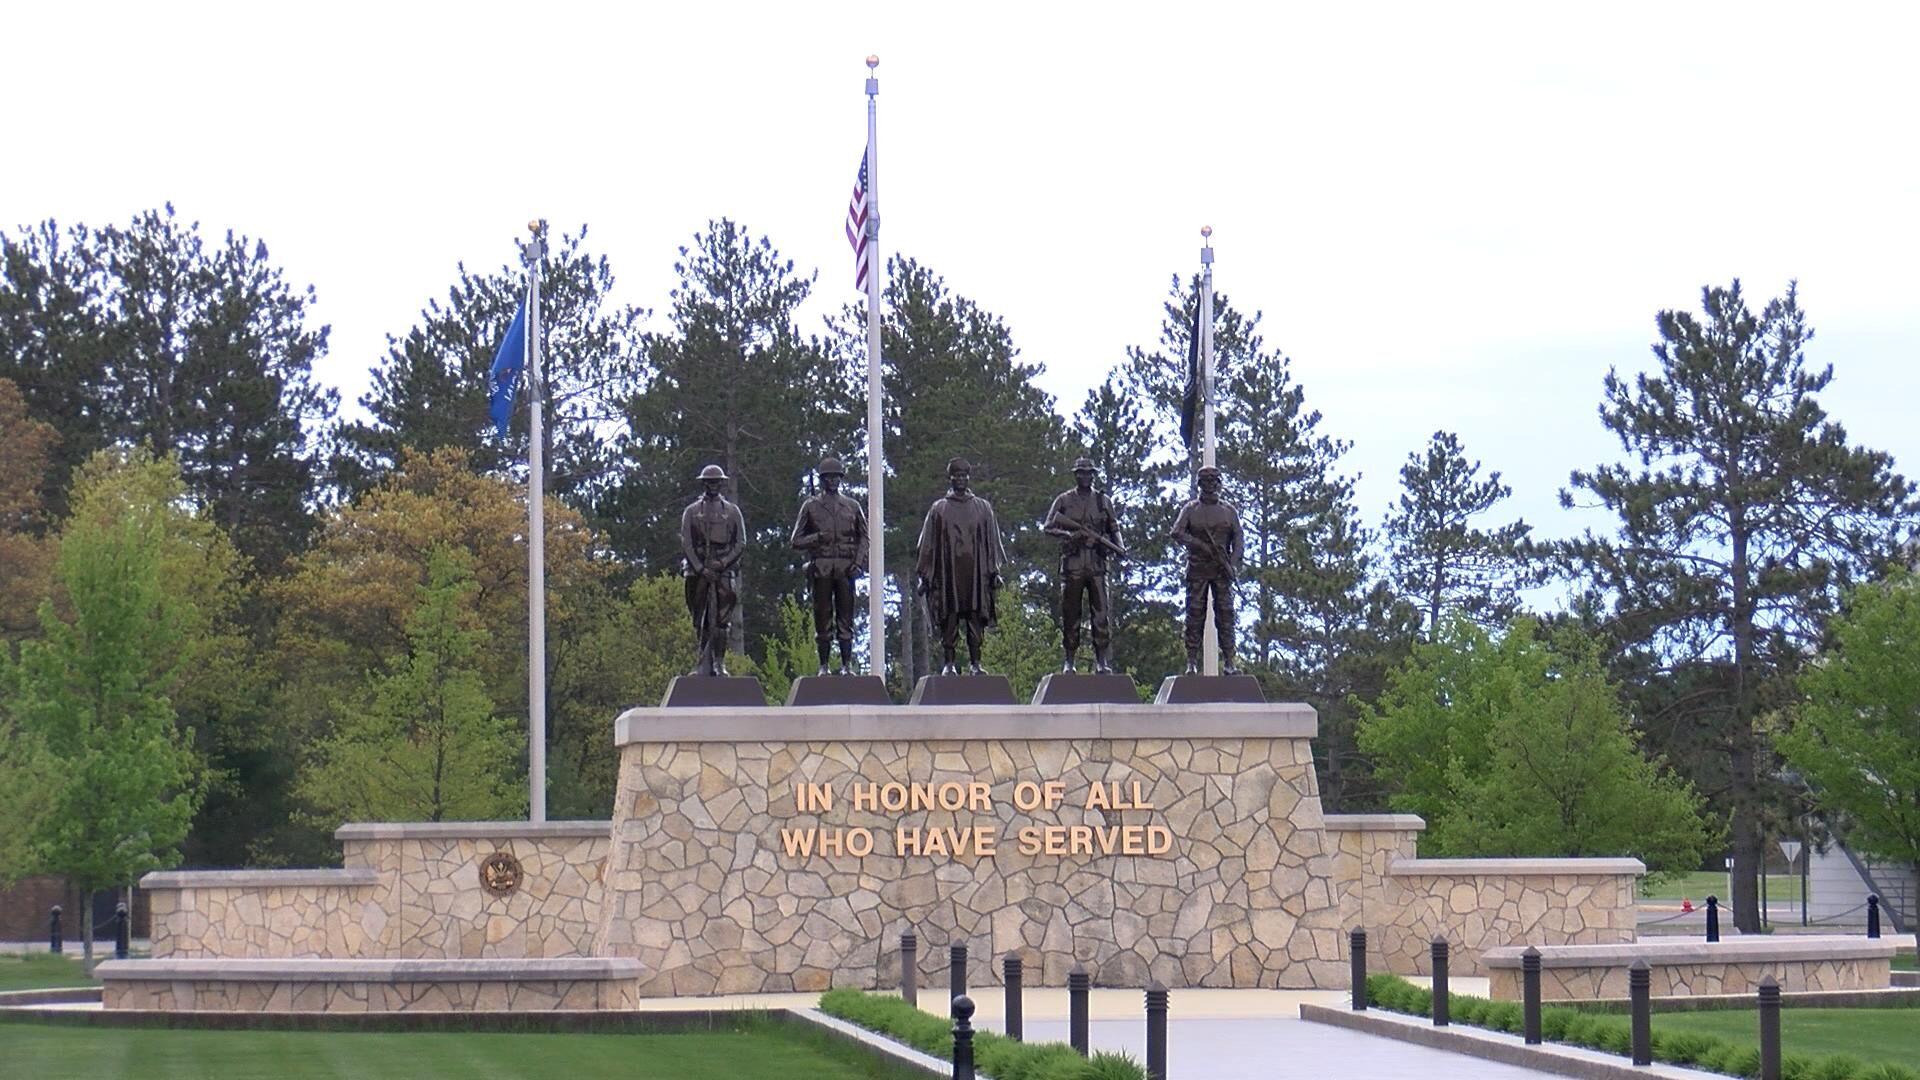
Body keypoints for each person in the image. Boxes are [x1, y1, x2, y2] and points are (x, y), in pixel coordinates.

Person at [915, 457, 1007, 675]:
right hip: (949, 573)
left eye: (964, 476)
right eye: (957, 476)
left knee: (975, 618)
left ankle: (976, 663)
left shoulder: (983, 508)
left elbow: (992, 541)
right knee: (950, 616)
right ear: (950, 479)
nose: (961, 480)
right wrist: (925, 574)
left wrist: (994, 571)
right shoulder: (939, 509)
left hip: (976, 573)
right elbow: (927, 544)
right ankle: (949, 663)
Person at [1042, 457, 1125, 673]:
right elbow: (1048, 527)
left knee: (1101, 614)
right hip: (1073, 564)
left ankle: (1101, 661)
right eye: (1081, 473)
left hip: (1097, 564)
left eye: (1089, 473)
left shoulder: (1103, 501)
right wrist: (1070, 535)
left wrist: (1119, 547)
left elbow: (1114, 527)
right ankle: (1069, 660)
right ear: (1075, 475)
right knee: (1071, 614)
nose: (1085, 477)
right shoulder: (1064, 500)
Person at [789, 456, 868, 676]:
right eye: (828, 477)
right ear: (822, 480)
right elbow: (796, 540)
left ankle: (846, 665)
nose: (832, 481)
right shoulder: (811, 506)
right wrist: (816, 538)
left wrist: (858, 563)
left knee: (846, 617)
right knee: (822, 616)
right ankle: (823, 665)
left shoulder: (852, 506)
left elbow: (864, 537)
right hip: (821, 566)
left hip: (845, 568)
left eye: (836, 477)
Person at [1170, 465, 1242, 675]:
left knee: (1226, 614)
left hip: (1221, 570)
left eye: (1214, 481)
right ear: (1200, 484)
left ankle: (1229, 661)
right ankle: (1192, 662)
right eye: (1206, 482)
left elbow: (1238, 538)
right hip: (1197, 568)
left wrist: (1233, 563)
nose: (1211, 485)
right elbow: (1177, 532)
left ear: (1219, 483)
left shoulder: (1229, 511)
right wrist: (1199, 545)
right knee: (1194, 614)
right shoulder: (1191, 509)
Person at [679, 464, 746, 676]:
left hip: (723, 569)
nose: (713, 485)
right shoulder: (691, 512)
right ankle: (702, 662)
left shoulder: (733, 512)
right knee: (699, 618)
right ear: (703, 484)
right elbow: (687, 543)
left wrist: (723, 563)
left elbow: (740, 542)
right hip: (698, 569)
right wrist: (700, 568)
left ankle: (719, 662)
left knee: (721, 620)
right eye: (709, 482)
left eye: (717, 482)